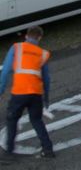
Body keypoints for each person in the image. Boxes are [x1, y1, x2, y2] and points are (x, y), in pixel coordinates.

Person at [0, 26, 54, 162]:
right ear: (40, 38)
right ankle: (48, 149)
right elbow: (46, 79)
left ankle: (9, 153)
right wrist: (46, 98)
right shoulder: (42, 53)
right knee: (36, 120)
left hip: (19, 92)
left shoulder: (16, 48)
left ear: (26, 36)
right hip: (36, 93)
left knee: (12, 120)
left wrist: (0, 90)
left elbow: (5, 71)